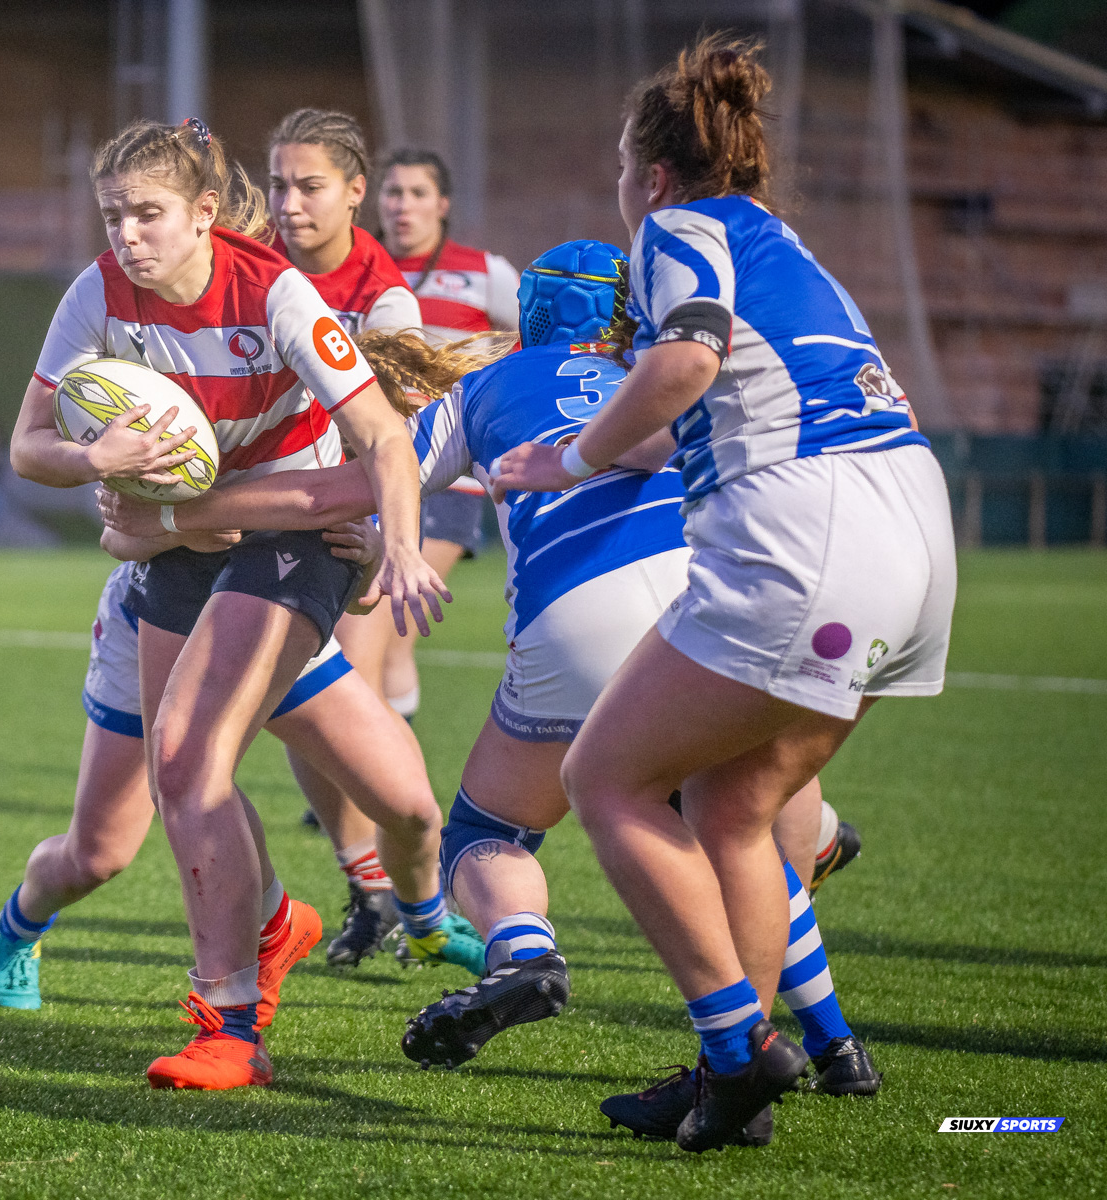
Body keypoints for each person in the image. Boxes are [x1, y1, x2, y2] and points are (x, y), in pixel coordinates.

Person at [98, 240, 880, 1137]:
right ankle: (829, 1044)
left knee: (486, 830)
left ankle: (523, 950)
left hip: (575, 622)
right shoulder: (656, 377)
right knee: (734, 822)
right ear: (623, 317)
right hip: (714, 605)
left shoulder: (482, 389)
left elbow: (341, 493)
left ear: (530, 315)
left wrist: (182, 512)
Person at [489, 35, 954, 1151]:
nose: (619, 185)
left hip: (812, 528)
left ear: (651, 173)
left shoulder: (675, 231)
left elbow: (687, 360)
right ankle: (722, 1074)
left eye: (618, 163)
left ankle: (743, 1052)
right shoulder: (781, 241)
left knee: (603, 776)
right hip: (916, 529)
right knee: (734, 809)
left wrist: (572, 458)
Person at [9, 117, 447, 1091]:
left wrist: (402, 549)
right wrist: (91, 461)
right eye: (114, 215)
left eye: (150, 214)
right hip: (183, 545)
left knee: (188, 754)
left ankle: (232, 1029)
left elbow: (381, 442)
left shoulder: (275, 292)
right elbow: (26, 443)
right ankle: (277, 927)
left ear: (204, 213)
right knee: (179, 776)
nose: (128, 234)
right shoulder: (100, 291)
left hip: (294, 541)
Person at [0, 517, 446, 1018]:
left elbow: (361, 596)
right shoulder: (178, 436)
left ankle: (430, 920)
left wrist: (376, 553)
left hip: (274, 610)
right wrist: (183, 525)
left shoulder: (340, 445)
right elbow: (116, 535)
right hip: (158, 619)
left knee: (411, 806)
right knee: (96, 857)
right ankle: (20, 927)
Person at [266, 108, 481, 973]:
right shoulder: (251, 262)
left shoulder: (388, 302)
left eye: (309, 186)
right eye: (277, 185)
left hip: (351, 512)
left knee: (334, 689)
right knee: (299, 711)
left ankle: (404, 894)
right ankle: (378, 891)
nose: (288, 204)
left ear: (353, 194)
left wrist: (387, 532)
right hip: (258, 511)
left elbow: (389, 432)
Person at [372, 147, 520, 729]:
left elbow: (531, 344)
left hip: (451, 472)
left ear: (442, 204)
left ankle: (377, 779)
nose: (402, 204)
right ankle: (372, 775)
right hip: (376, 463)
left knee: (385, 623)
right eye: (393, 192)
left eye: (415, 193)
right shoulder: (360, 267)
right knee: (380, 633)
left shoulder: (485, 271)